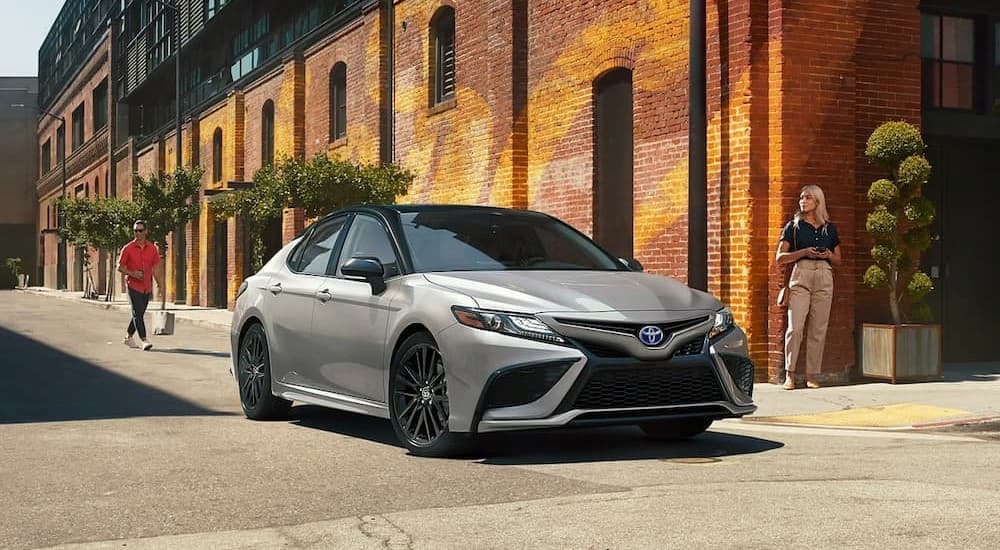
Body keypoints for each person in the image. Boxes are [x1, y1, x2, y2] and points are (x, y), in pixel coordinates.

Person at [775, 185, 841, 389]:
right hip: (801, 275)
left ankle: (812, 375)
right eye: (801, 198)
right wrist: (803, 251)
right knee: (795, 328)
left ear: (818, 202)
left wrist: (828, 255)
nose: (803, 201)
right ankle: (790, 374)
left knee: (818, 328)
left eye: (808, 198)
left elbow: (839, 259)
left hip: (824, 275)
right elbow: (780, 257)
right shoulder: (793, 226)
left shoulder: (829, 228)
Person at [117, 220, 161, 351]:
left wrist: (159, 284)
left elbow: (155, 268)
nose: (138, 233)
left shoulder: (152, 248)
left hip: (146, 287)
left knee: (139, 313)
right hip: (132, 286)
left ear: (146, 231)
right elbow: (119, 267)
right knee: (137, 313)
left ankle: (128, 337)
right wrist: (132, 273)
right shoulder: (128, 248)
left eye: (140, 230)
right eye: (135, 231)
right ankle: (144, 340)